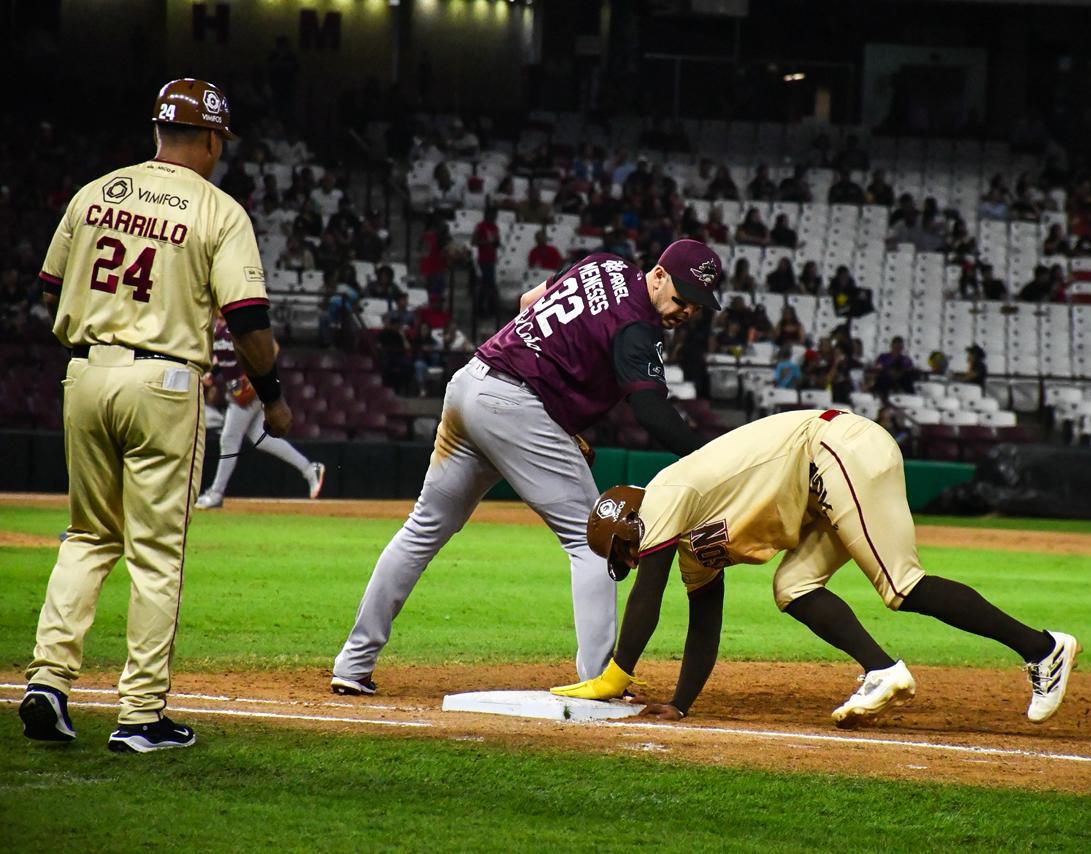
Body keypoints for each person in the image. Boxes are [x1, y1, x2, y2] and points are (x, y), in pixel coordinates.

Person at [21, 78, 293, 753]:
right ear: (209, 139)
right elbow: (248, 320)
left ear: (156, 132)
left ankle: (48, 682)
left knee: (87, 536)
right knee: (155, 553)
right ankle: (140, 716)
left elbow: (50, 285)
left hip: (86, 371)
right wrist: (274, 391)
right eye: (219, 142)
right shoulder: (218, 210)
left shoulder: (95, 193)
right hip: (164, 380)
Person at [330, 239, 724, 695]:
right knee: (595, 538)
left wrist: (548, 410)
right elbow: (651, 412)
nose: (688, 312)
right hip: (513, 405)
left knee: (422, 529)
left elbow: (528, 303)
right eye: (683, 298)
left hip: (472, 382)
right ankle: (600, 679)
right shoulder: (638, 324)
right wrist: (711, 456)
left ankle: (352, 664)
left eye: (697, 306)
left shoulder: (604, 264)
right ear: (658, 275)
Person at [552, 411, 1080, 726]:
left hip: (833, 448)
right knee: (793, 586)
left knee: (900, 585)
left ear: (628, 531)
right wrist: (680, 704)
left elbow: (649, 591)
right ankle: (882, 670)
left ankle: (1043, 649)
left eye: (622, 551)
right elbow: (704, 618)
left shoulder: (664, 493)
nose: (629, 559)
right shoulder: (686, 536)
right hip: (816, 486)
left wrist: (615, 676)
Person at [195, 316, 324, 509]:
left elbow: (272, 347)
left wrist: (256, 375)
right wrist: (212, 375)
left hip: (250, 390)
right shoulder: (218, 329)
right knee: (261, 439)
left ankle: (216, 493)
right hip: (237, 392)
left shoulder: (241, 322)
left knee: (229, 439)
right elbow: (222, 358)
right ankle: (309, 469)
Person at [471, 207, 501, 320]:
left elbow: (497, 243)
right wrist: (487, 242)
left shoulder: (495, 227)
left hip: (492, 259)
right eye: (492, 216)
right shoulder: (480, 226)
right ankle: (482, 309)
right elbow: (474, 242)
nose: (493, 218)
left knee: (488, 285)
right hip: (483, 260)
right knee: (486, 285)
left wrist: (495, 242)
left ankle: (488, 309)